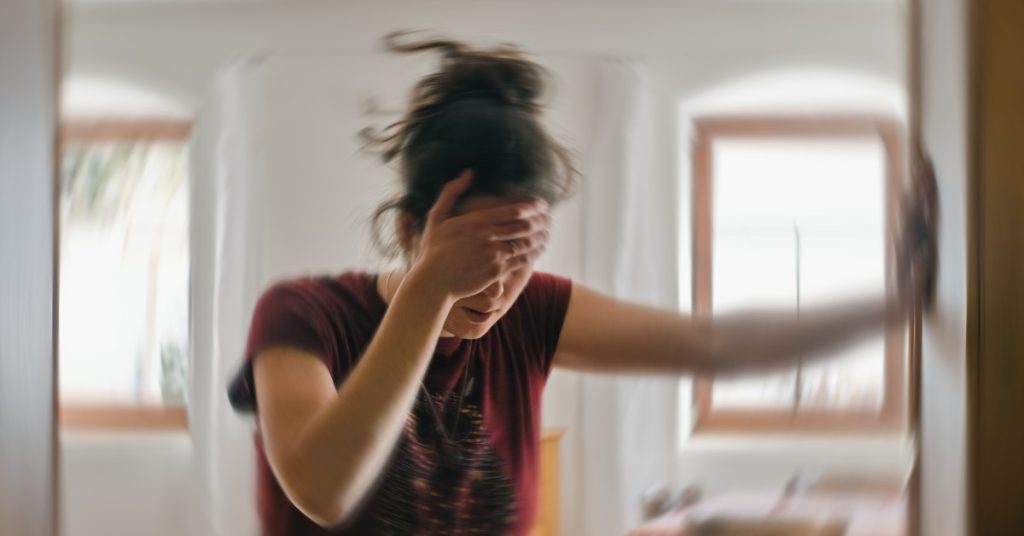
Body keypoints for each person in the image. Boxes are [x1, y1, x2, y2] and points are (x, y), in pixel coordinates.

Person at [227, 32, 935, 536]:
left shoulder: (533, 314)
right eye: (474, 252)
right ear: (412, 231)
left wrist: (898, 301)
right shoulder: (302, 315)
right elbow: (322, 491)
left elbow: (715, 343)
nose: (497, 286)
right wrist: (430, 290)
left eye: (518, 254)